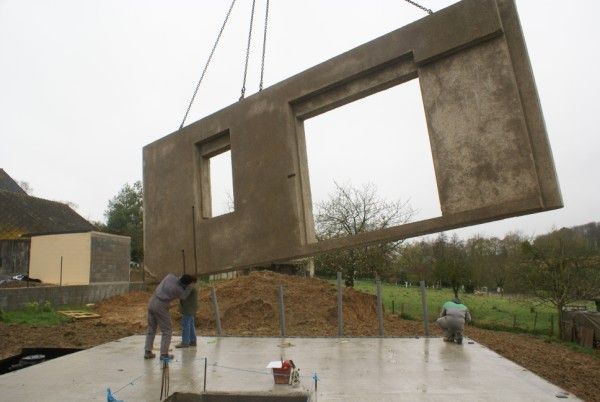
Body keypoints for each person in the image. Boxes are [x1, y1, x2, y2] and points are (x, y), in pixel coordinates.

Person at [144, 273, 197, 360]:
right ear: (185, 285)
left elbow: (179, 280)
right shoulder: (178, 289)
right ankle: (164, 354)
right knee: (167, 330)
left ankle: (147, 352)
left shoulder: (170, 276)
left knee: (151, 329)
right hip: (160, 305)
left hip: (152, 301)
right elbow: (183, 297)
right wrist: (189, 287)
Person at [175, 281, 198, 348]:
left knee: (186, 324)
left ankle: (185, 342)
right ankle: (193, 341)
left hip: (188, 309)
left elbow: (183, 296)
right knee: (190, 324)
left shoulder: (189, 287)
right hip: (190, 308)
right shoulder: (191, 286)